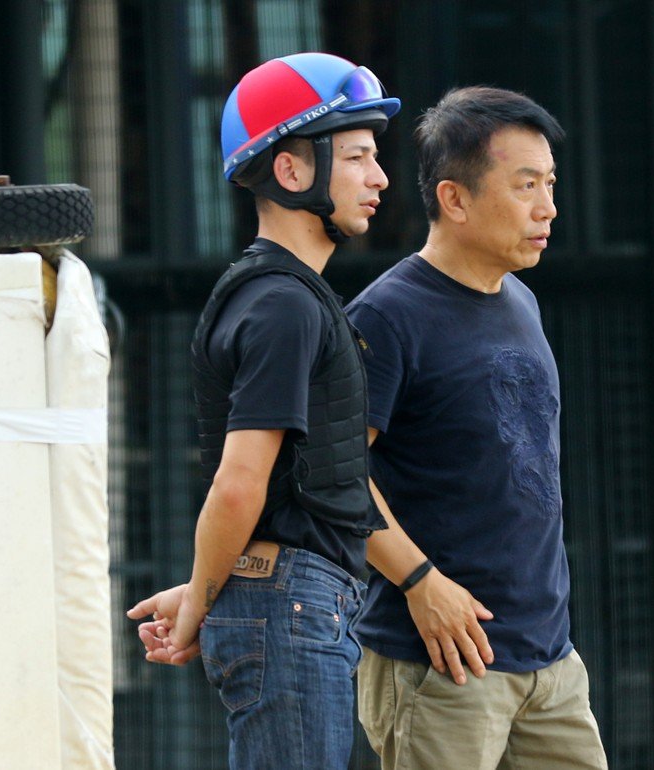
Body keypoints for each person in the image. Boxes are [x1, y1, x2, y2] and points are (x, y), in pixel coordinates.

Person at [125, 52, 398, 768]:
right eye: (360, 156)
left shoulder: (278, 297)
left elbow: (280, 502)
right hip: (294, 613)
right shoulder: (282, 305)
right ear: (291, 169)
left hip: (297, 603)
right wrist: (202, 603)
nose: (380, 178)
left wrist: (206, 588)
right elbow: (240, 482)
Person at [347, 86, 608, 770]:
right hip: (442, 665)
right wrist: (419, 583)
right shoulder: (385, 316)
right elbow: (329, 474)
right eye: (525, 186)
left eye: (549, 183)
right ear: (455, 199)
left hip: (550, 661)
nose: (547, 207)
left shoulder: (521, 298)